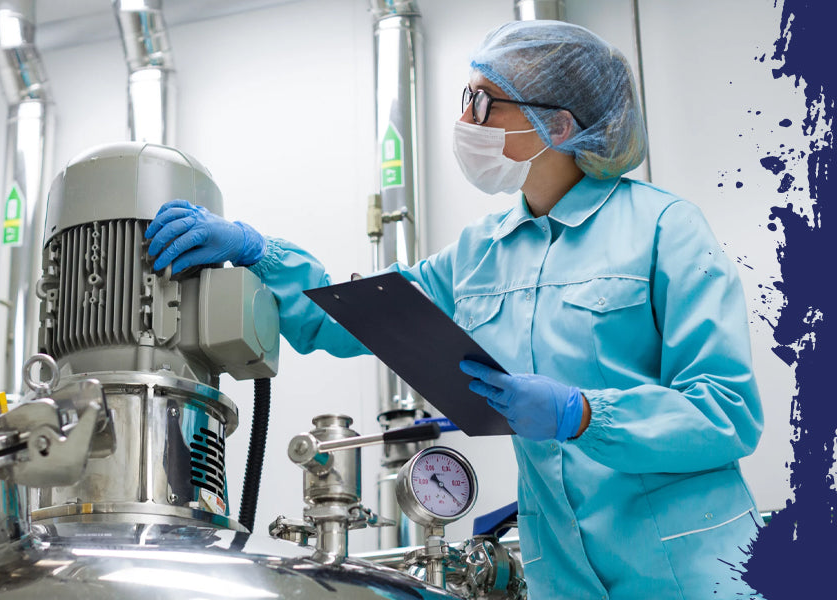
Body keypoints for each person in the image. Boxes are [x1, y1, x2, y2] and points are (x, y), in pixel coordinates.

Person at [144, 20, 763, 600]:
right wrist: (261, 252)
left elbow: (726, 413)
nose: (466, 119)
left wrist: (582, 414)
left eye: (486, 102)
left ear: (563, 127)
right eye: (465, 98)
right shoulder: (478, 255)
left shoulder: (665, 229)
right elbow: (346, 320)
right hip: (565, 577)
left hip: (691, 571)